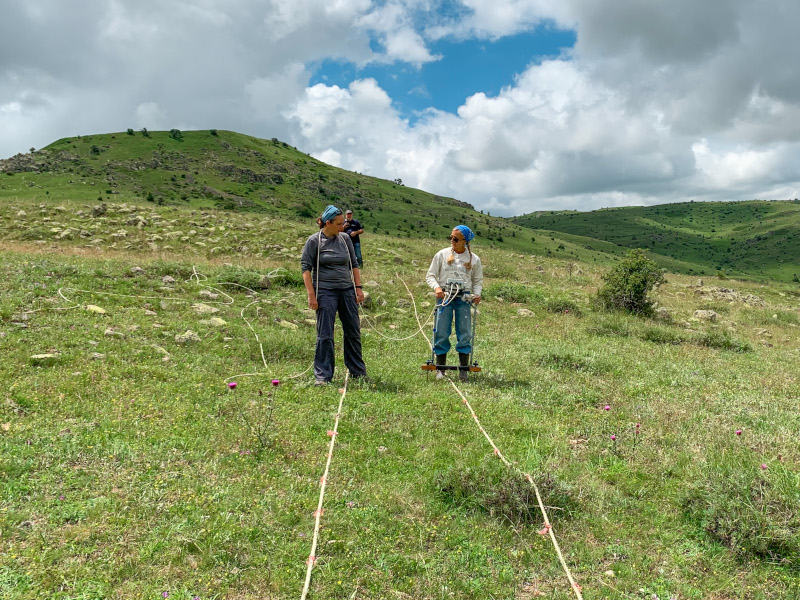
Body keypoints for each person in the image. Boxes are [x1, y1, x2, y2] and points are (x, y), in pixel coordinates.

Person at [301, 205, 367, 385]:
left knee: (353, 331)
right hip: (325, 292)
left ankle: (358, 372)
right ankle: (322, 376)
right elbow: (305, 269)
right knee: (325, 334)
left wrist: (358, 288)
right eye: (339, 223)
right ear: (327, 223)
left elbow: (354, 264)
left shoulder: (345, 239)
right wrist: (311, 295)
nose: (342, 226)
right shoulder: (314, 241)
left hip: (346, 290)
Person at [425, 225, 483, 381]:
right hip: (445, 296)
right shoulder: (441, 255)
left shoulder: (474, 259)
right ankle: (441, 369)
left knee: (464, 332)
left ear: (465, 241)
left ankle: (463, 369)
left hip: (464, 298)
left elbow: (477, 280)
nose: (452, 241)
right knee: (441, 331)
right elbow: (430, 275)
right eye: (450, 237)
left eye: (455, 239)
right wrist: (437, 288)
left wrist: (477, 294)